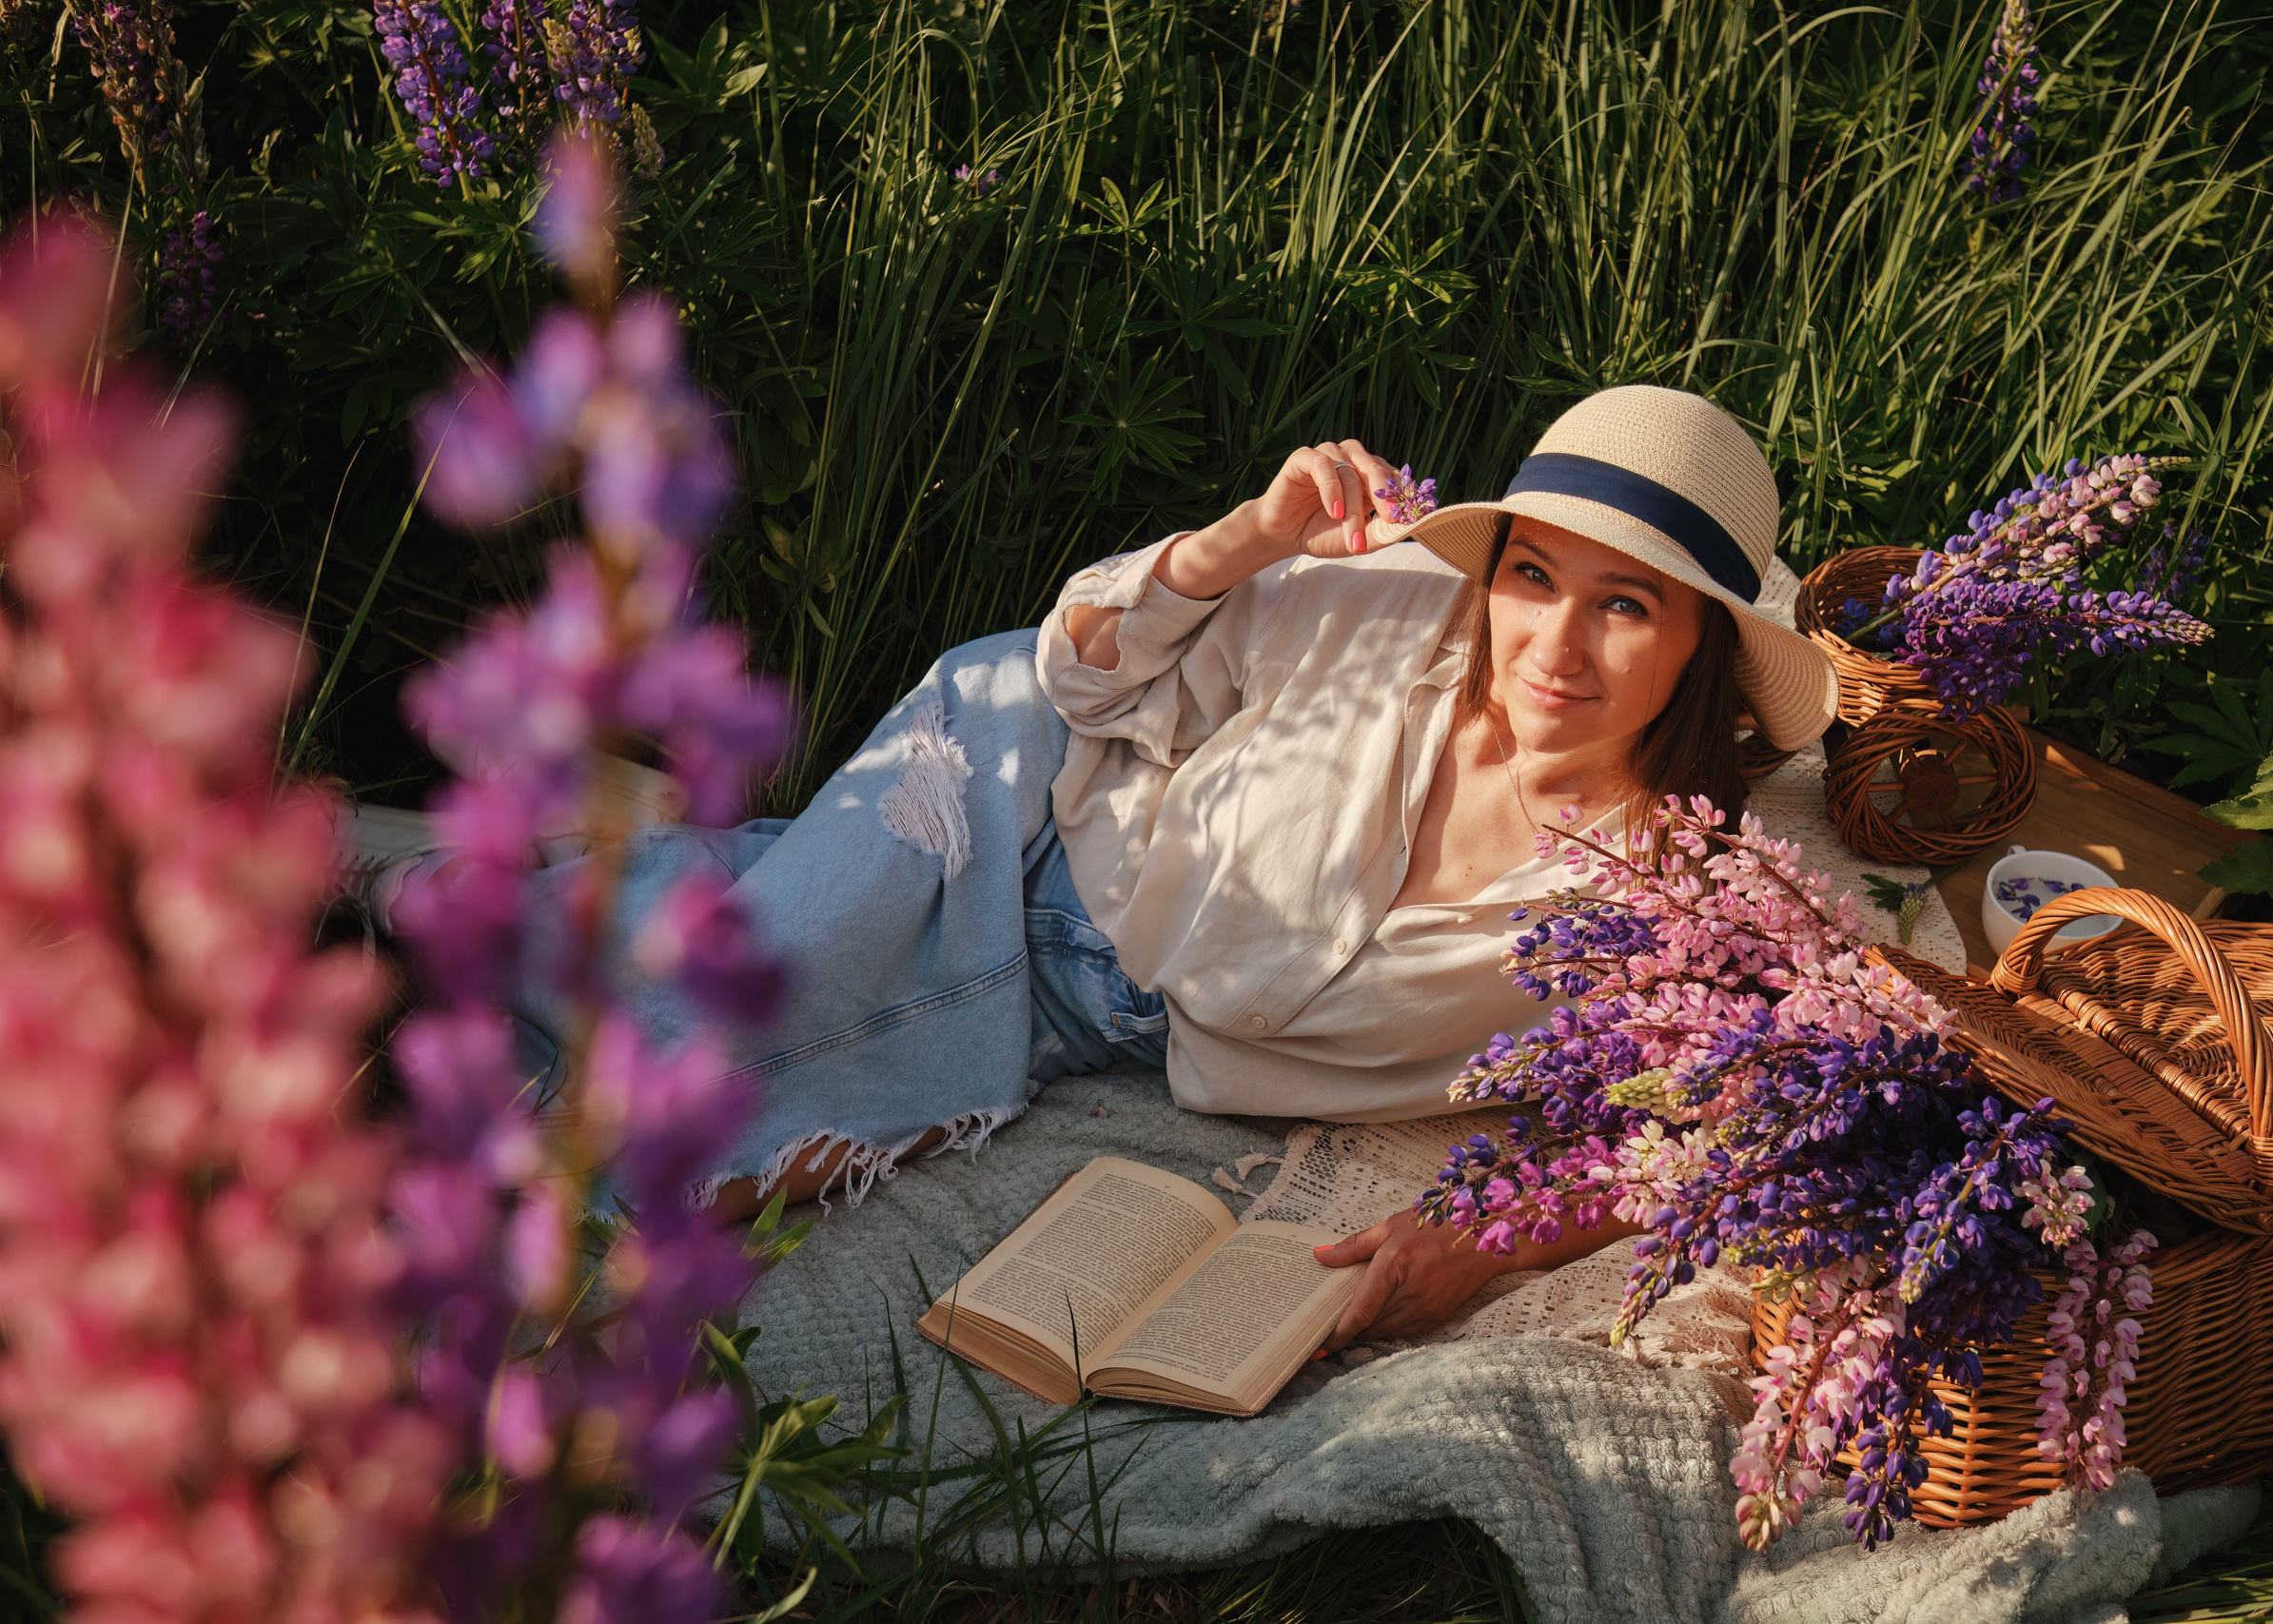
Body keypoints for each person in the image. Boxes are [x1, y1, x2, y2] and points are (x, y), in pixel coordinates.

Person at [353, 383, 1837, 1352]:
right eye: (1531, 576)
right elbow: (1084, 678)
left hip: (1087, 1010)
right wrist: (1245, 541)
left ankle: (504, 871)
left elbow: (1722, 1128)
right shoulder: (1384, 606)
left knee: (687, 963)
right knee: (722, 1061)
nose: (1555, 645)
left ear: (1700, 646)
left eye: (1624, 607)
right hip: (1017, 794)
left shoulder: (1676, 904)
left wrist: (1486, 1239)